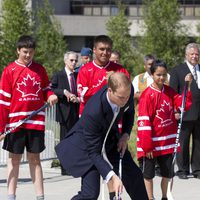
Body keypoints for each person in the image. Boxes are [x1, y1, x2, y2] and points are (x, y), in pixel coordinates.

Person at [55, 72, 148, 200]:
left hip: (111, 140)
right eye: (121, 98)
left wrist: (125, 135)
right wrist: (112, 176)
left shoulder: (127, 91)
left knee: (134, 176)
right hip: (87, 148)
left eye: (127, 97)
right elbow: (94, 152)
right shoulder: (94, 110)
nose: (125, 100)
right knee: (90, 194)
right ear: (110, 91)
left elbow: (129, 111)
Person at [0, 35, 58, 200]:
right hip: (16, 123)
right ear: (18, 50)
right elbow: (3, 102)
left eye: (31, 52)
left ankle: (40, 197)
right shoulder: (9, 70)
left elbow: (46, 89)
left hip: (35, 123)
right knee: (14, 160)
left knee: (35, 160)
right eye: (25, 52)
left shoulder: (40, 69)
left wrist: (51, 95)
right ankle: (11, 196)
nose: (28, 55)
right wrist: (1, 127)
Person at [137, 60, 192, 200]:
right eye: (158, 75)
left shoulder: (169, 91)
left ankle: (165, 196)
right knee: (148, 174)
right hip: (150, 143)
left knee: (168, 174)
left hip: (167, 143)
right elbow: (143, 121)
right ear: (152, 74)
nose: (161, 78)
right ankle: (150, 198)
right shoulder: (147, 95)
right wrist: (147, 146)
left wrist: (188, 86)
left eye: (164, 75)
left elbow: (183, 105)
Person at [77, 35, 129, 116]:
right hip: (89, 116)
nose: (105, 53)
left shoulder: (120, 70)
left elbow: (127, 94)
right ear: (94, 50)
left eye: (108, 49)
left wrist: (116, 80)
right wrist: (107, 84)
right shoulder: (85, 70)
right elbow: (82, 96)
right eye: (101, 49)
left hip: (113, 116)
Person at [170, 43, 200, 179]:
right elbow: (173, 92)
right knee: (183, 142)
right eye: (192, 54)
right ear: (186, 55)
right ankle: (182, 170)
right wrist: (176, 110)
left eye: (197, 54)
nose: (195, 56)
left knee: (198, 142)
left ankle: (197, 169)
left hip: (199, 113)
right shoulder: (177, 70)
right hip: (184, 112)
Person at [51, 51, 79, 175]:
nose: (74, 63)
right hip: (64, 112)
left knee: (75, 141)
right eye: (71, 60)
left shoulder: (78, 76)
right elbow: (52, 89)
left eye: (75, 61)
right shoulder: (59, 75)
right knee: (64, 141)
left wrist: (77, 98)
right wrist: (64, 92)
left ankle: (73, 166)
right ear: (65, 61)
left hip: (76, 112)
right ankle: (64, 167)